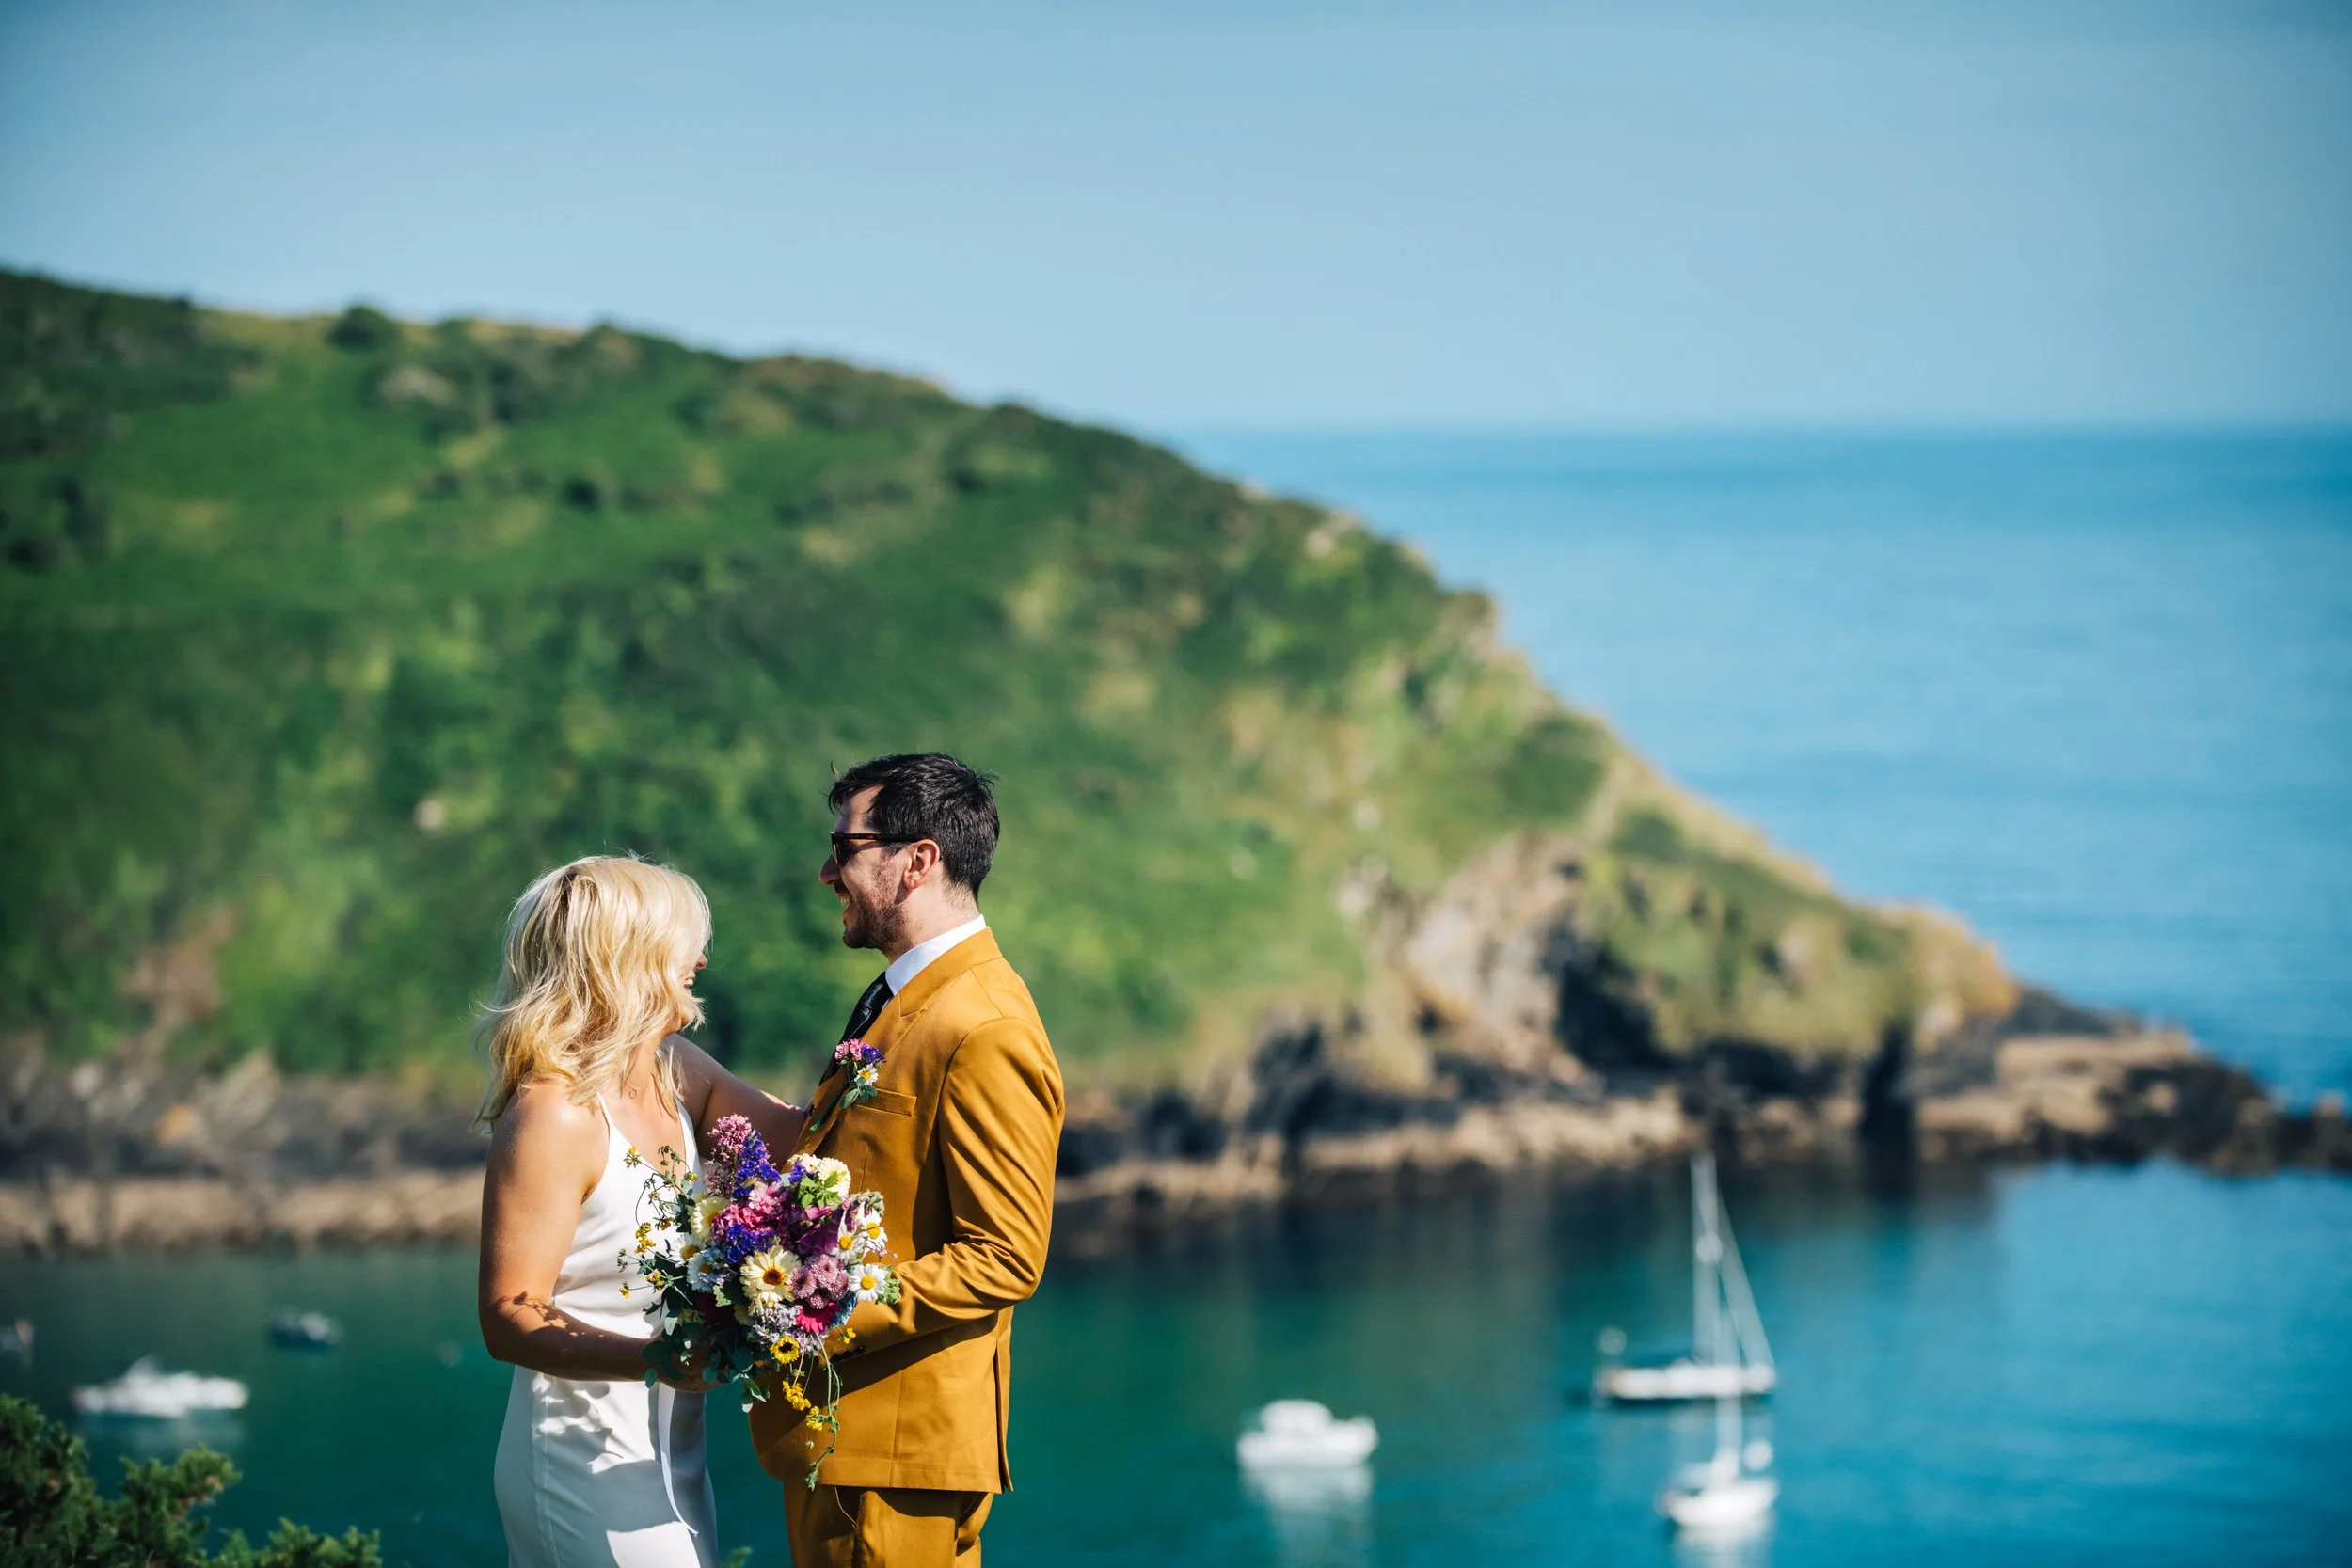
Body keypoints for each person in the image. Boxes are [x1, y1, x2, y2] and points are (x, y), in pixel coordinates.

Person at [751, 754, 1065, 1568]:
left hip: (891, 1454)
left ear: (917, 859)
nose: (826, 872)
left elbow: (1005, 1256)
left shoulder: (983, 1023)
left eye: (844, 847)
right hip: (856, 1447)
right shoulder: (907, 995)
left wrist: (820, 1311)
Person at [479, 854, 804, 1568]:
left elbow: (804, 1137)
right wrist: (654, 1358)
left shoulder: (673, 1068)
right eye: (686, 941)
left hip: (674, 1454)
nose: (702, 958)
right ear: (630, 956)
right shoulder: (554, 1113)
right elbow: (508, 1312)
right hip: (578, 1452)